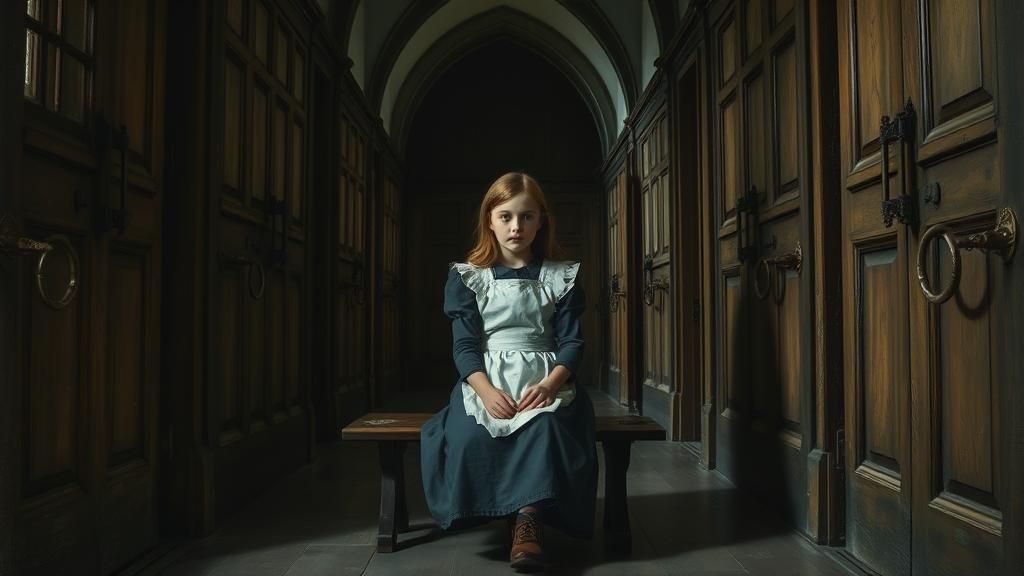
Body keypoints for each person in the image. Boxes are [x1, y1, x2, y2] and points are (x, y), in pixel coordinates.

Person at [420, 172, 598, 572]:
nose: (516, 226)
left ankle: (528, 522)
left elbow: (572, 343)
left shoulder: (560, 275)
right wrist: (485, 392)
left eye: (526, 216)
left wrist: (550, 385)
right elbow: (465, 346)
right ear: (489, 219)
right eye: (506, 216)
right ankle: (503, 511)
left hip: (545, 376)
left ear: (541, 221)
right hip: (486, 377)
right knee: (470, 434)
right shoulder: (469, 276)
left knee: (546, 428)